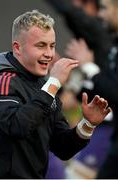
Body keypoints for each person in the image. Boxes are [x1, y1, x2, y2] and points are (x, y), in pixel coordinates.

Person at [0, 10, 111, 179]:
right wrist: (54, 83)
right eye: (40, 45)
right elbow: (17, 126)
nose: (49, 54)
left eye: (52, 45)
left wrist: (87, 124)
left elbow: (63, 148)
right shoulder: (3, 81)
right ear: (17, 48)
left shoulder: (44, 85)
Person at [65, 0, 118, 178]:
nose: (100, 14)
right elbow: (99, 91)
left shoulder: (104, 45)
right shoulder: (111, 47)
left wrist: (89, 67)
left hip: (106, 130)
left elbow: (113, 92)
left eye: (104, 8)